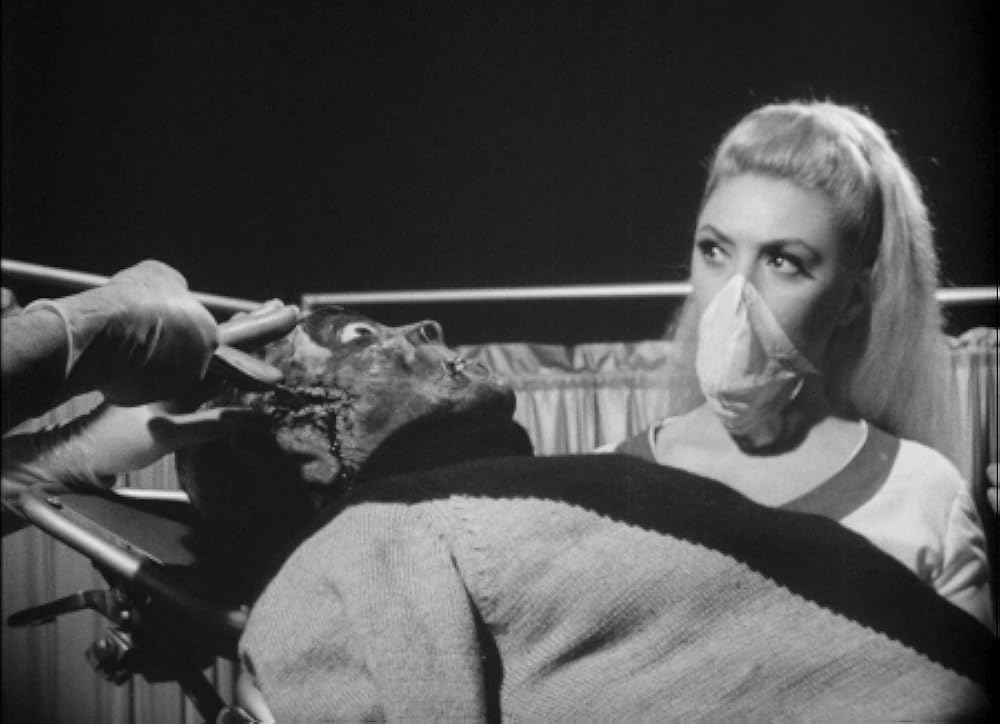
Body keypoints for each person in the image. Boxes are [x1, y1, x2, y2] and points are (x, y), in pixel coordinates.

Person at [604, 100, 993, 630]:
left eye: (783, 261)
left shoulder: (921, 498)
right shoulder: (605, 483)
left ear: (853, 299)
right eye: (714, 250)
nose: (736, 294)